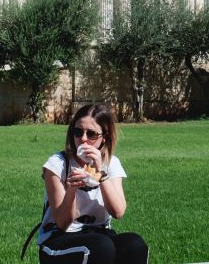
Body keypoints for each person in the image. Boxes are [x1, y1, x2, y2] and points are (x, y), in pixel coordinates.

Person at [37, 103, 147, 264]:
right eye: (78, 132)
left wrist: (101, 172)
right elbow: (62, 223)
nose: (83, 139)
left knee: (134, 244)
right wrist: (72, 189)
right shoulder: (58, 164)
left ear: (104, 138)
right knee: (100, 246)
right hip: (57, 242)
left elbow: (118, 212)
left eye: (91, 134)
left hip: (99, 235)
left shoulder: (111, 164)